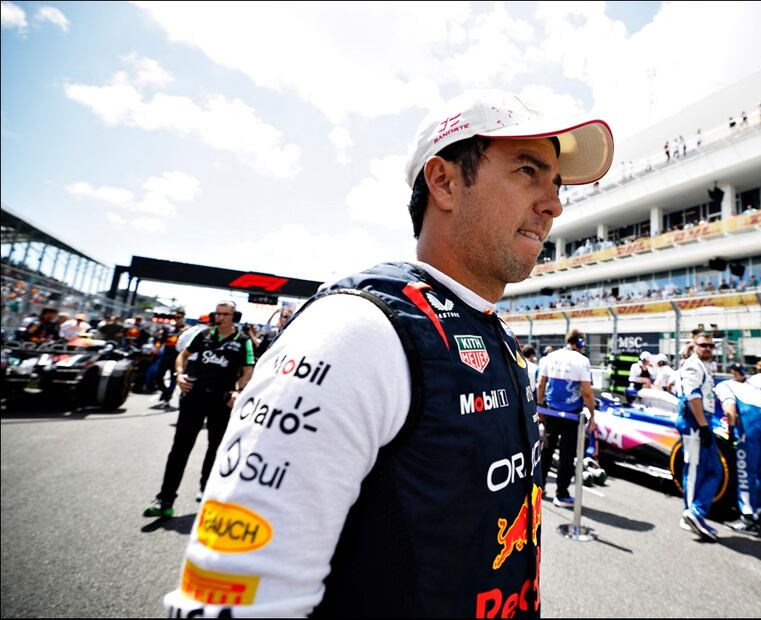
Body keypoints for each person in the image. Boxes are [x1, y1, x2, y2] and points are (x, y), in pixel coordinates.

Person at [162, 89, 613, 617]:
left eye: (555, 184)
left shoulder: (498, 338)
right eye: (528, 171)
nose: (553, 203)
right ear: (443, 182)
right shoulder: (356, 331)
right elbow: (229, 602)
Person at [144, 301, 255, 517]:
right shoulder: (203, 335)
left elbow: (247, 370)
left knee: (215, 448)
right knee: (179, 449)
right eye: (217, 313)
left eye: (225, 314)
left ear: (235, 316)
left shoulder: (243, 342)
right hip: (193, 397)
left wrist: (238, 391)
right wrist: (179, 375)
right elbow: (182, 356)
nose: (220, 317)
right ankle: (165, 500)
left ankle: (207, 491)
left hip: (221, 401)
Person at [717, 364, 761, 535]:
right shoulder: (749, 387)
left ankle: (747, 519)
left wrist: (729, 433)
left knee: (745, 472)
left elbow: (729, 407)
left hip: (750, 427)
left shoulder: (722, 386)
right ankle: (757, 508)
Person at [537, 329, 596, 508]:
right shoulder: (582, 361)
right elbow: (586, 393)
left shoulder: (550, 357)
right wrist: (592, 416)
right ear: (580, 343)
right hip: (571, 416)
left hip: (550, 413)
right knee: (567, 456)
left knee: (546, 452)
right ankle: (561, 494)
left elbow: (541, 385)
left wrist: (539, 407)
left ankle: (539, 488)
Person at [675, 331, 721, 542]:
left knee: (713, 470)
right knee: (694, 470)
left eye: (711, 346)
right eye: (703, 345)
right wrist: (703, 426)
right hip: (695, 423)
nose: (708, 349)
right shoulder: (693, 365)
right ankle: (693, 513)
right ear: (694, 346)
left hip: (702, 422)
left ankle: (695, 512)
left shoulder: (704, 366)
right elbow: (692, 396)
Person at [150, 311, 187, 409]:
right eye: (176, 317)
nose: (177, 319)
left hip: (177, 358)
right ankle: (166, 392)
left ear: (183, 318)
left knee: (173, 379)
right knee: (158, 376)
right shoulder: (168, 328)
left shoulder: (186, 330)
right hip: (165, 356)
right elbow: (160, 341)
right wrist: (156, 348)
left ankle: (167, 398)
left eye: (179, 317)